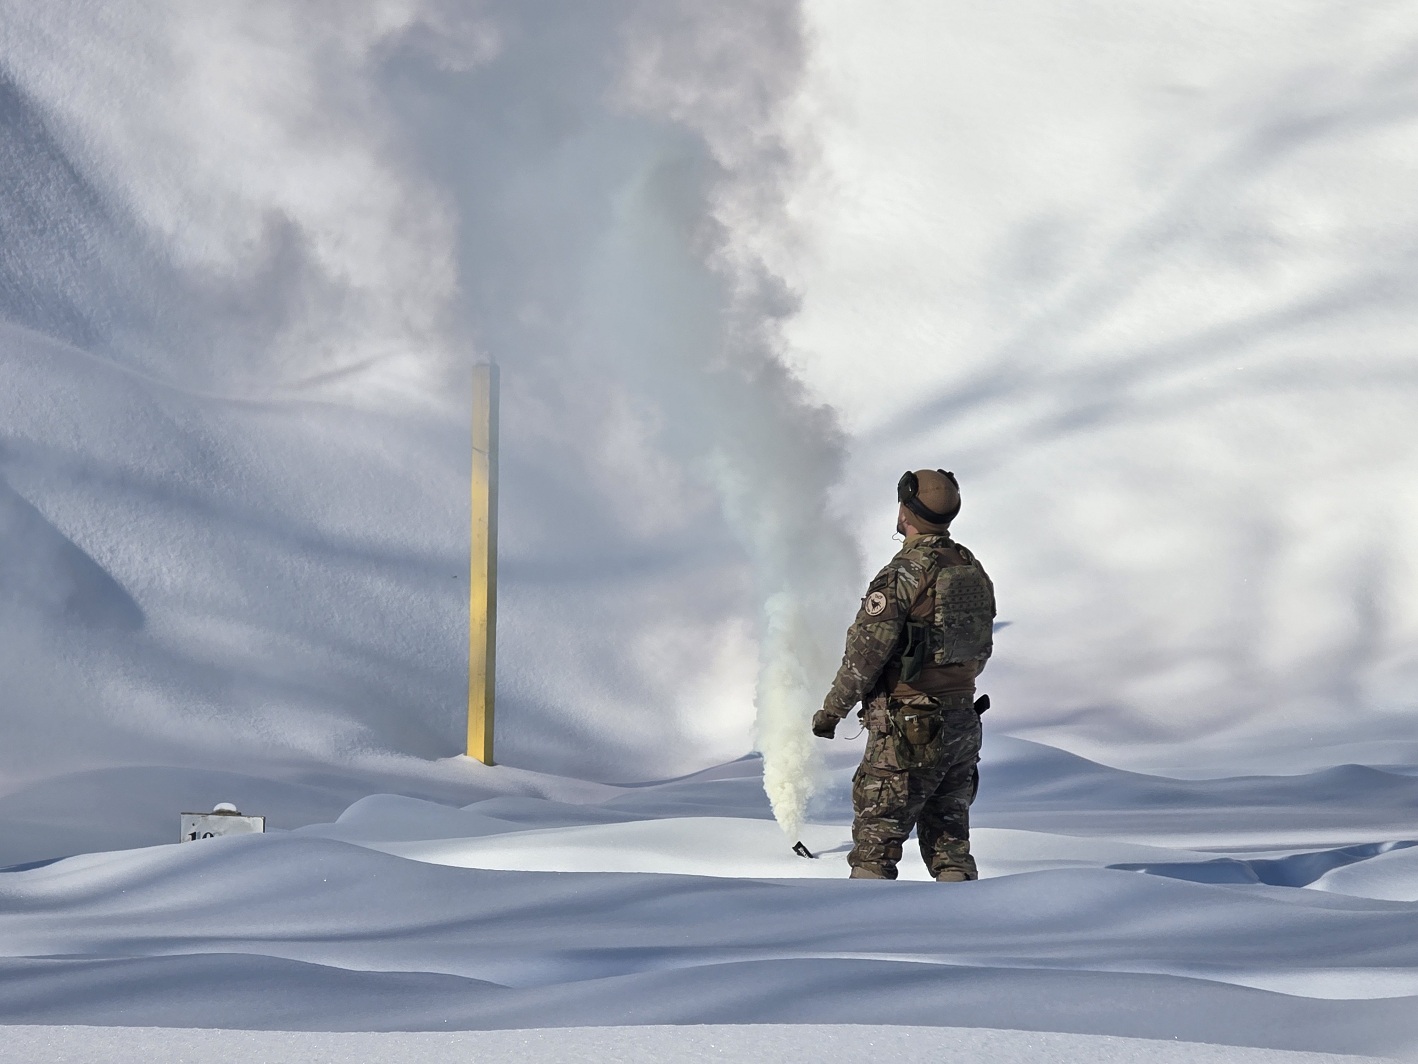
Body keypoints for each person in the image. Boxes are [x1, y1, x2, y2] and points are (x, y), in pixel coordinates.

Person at [812, 469, 996, 881]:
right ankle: (968, 928)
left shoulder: (902, 574)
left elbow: (865, 656)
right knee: (950, 843)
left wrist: (830, 713)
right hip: (962, 723)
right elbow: (979, 648)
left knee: (875, 847)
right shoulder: (970, 567)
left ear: (905, 511)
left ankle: (865, 935)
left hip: (908, 730)